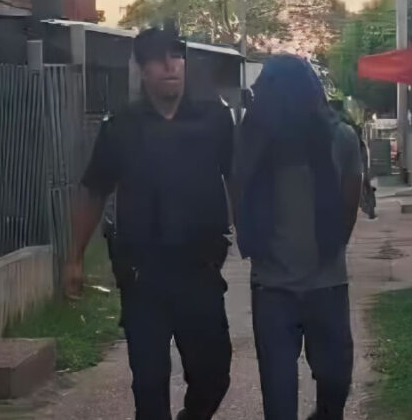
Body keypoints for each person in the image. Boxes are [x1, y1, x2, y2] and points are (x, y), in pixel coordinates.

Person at [65, 26, 234, 420]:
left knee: (213, 376)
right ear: (142, 70)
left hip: (200, 271)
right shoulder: (121, 127)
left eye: (176, 56)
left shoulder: (214, 121)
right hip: (143, 277)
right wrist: (74, 258)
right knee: (149, 384)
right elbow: (94, 191)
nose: (170, 65)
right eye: (158, 59)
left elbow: (237, 179)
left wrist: (255, 238)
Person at [233, 55, 362, 420]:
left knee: (336, 383)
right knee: (278, 396)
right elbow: (238, 195)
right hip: (273, 288)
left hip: (327, 284)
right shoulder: (252, 141)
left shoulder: (340, 138)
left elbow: (348, 205)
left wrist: (329, 252)